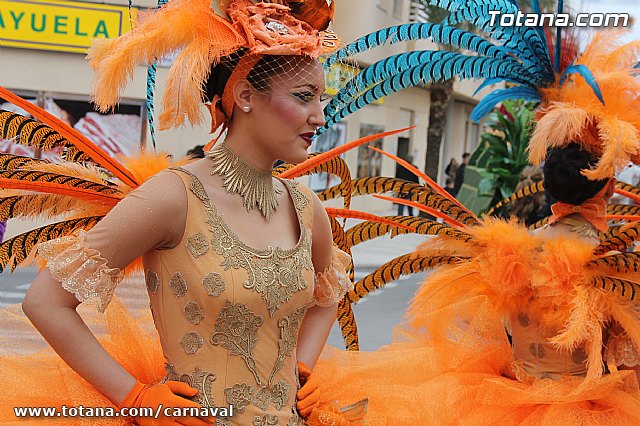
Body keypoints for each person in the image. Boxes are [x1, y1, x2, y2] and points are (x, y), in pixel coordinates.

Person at [1, 2, 356, 425]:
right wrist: (134, 397)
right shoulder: (174, 196)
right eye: (303, 97)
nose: (319, 115)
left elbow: (326, 295)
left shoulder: (305, 206)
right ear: (244, 96)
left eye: (320, 98)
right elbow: (46, 302)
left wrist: (304, 365)